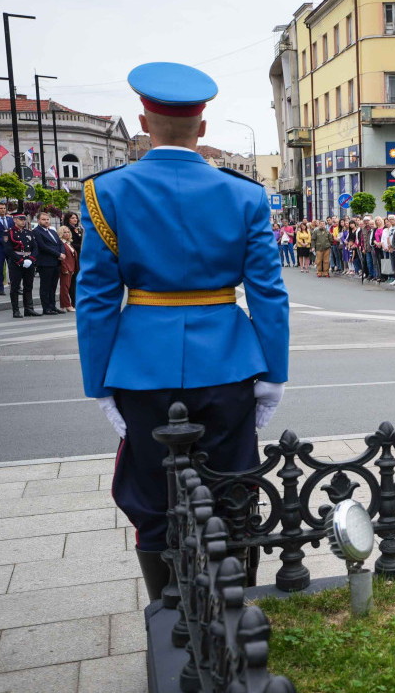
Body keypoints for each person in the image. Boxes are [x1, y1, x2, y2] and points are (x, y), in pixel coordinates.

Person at [76, 62, 289, 601]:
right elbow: (267, 293)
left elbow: (97, 298)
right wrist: (274, 374)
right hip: (229, 362)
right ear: (204, 127)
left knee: (151, 496)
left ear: (144, 122)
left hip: (141, 366)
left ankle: (170, 613)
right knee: (234, 490)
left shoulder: (107, 192)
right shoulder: (246, 196)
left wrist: (97, 382)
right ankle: (234, 614)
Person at [33, 211, 65, 315]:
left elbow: (60, 243)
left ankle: (53, 306)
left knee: (53, 286)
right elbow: (43, 246)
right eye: (43, 219)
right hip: (46, 263)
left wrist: (62, 253)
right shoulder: (37, 231)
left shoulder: (52, 231)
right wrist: (58, 254)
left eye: (47, 219)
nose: (46, 221)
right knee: (45, 286)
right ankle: (46, 307)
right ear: (38, 220)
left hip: (56, 262)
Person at [5, 215, 37, 318]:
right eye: (20, 219)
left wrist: (31, 259)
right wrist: (20, 260)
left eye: (24, 220)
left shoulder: (28, 233)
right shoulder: (8, 233)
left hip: (28, 261)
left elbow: (35, 248)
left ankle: (29, 309)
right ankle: (16, 310)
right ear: (14, 220)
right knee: (15, 287)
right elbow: (8, 249)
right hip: (16, 262)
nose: (23, 222)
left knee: (28, 286)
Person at [58, 225, 78, 311]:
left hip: (71, 268)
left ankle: (64, 306)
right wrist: (64, 268)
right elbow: (62, 258)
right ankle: (67, 305)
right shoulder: (61, 243)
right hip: (66, 268)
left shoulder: (68, 243)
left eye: (68, 232)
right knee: (64, 288)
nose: (67, 234)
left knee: (68, 287)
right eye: (64, 232)